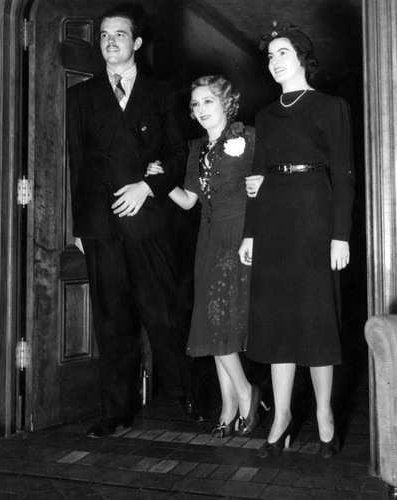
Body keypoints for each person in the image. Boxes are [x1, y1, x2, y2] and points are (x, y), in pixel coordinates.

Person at [66, 5, 202, 438]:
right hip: (102, 227)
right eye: (104, 36)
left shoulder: (163, 94)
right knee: (111, 320)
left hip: (149, 224)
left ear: (136, 43)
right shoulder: (81, 97)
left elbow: (180, 156)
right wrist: (80, 226)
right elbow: (77, 165)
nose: (109, 42)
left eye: (119, 35)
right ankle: (115, 410)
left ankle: (189, 395)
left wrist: (148, 188)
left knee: (164, 314)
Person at [239, 26, 355, 458]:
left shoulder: (330, 107)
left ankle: (324, 416)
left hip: (314, 219)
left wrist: (339, 236)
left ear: (303, 57)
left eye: (282, 52)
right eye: (270, 56)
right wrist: (250, 232)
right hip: (272, 221)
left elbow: (344, 176)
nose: (274, 61)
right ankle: (282, 418)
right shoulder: (266, 116)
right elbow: (257, 176)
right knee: (275, 325)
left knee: (316, 321)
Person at [146, 75, 265, 437]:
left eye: (208, 101)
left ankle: (246, 392)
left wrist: (256, 231)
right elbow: (188, 201)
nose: (200, 110)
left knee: (220, 321)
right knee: (214, 322)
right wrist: (160, 183)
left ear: (226, 103)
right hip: (208, 238)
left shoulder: (249, 138)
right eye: (195, 104)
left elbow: (269, 186)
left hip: (239, 235)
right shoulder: (197, 148)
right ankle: (229, 408)